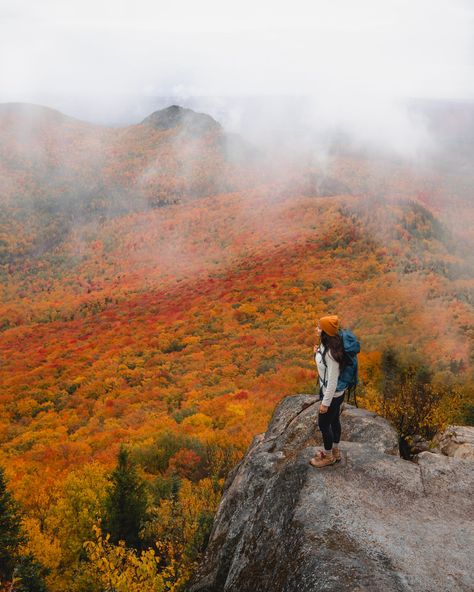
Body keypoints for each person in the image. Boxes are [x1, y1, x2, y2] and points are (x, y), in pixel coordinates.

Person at [309, 314, 346, 468]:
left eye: (319, 327)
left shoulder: (331, 353)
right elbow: (324, 366)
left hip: (331, 394)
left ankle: (328, 456)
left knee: (324, 424)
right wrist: (316, 353)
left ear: (325, 331)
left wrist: (325, 403)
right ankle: (335, 451)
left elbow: (332, 381)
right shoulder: (329, 344)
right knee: (334, 420)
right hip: (336, 393)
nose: (316, 329)